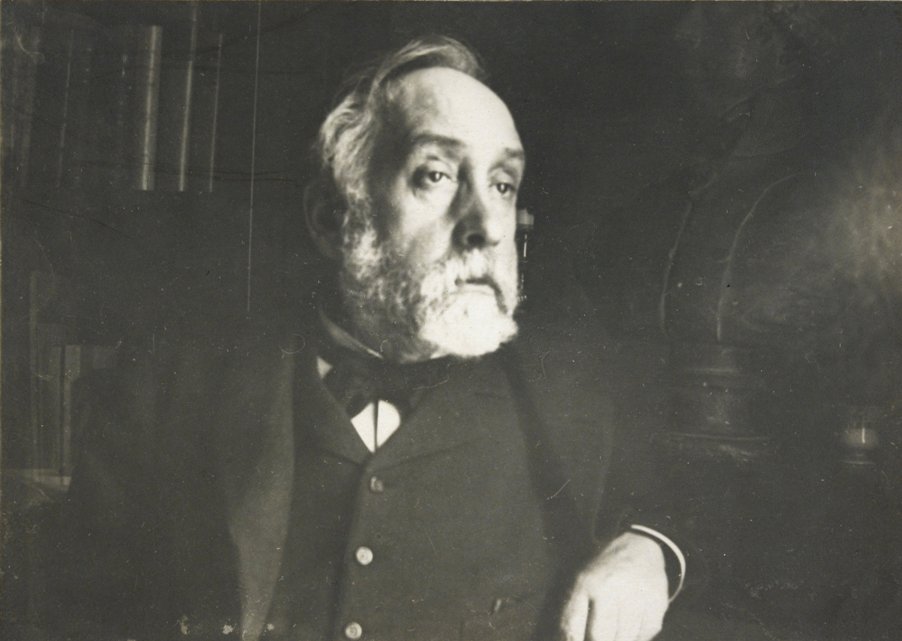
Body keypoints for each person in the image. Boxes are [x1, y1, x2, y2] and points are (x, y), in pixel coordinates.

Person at [46, 35, 685, 641]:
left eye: (501, 185)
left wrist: (652, 549)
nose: (487, 226)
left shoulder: (571, 393)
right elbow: (76, 606)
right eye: (436, 175)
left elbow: (693, 500)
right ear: (334, 219)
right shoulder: (171, 388)